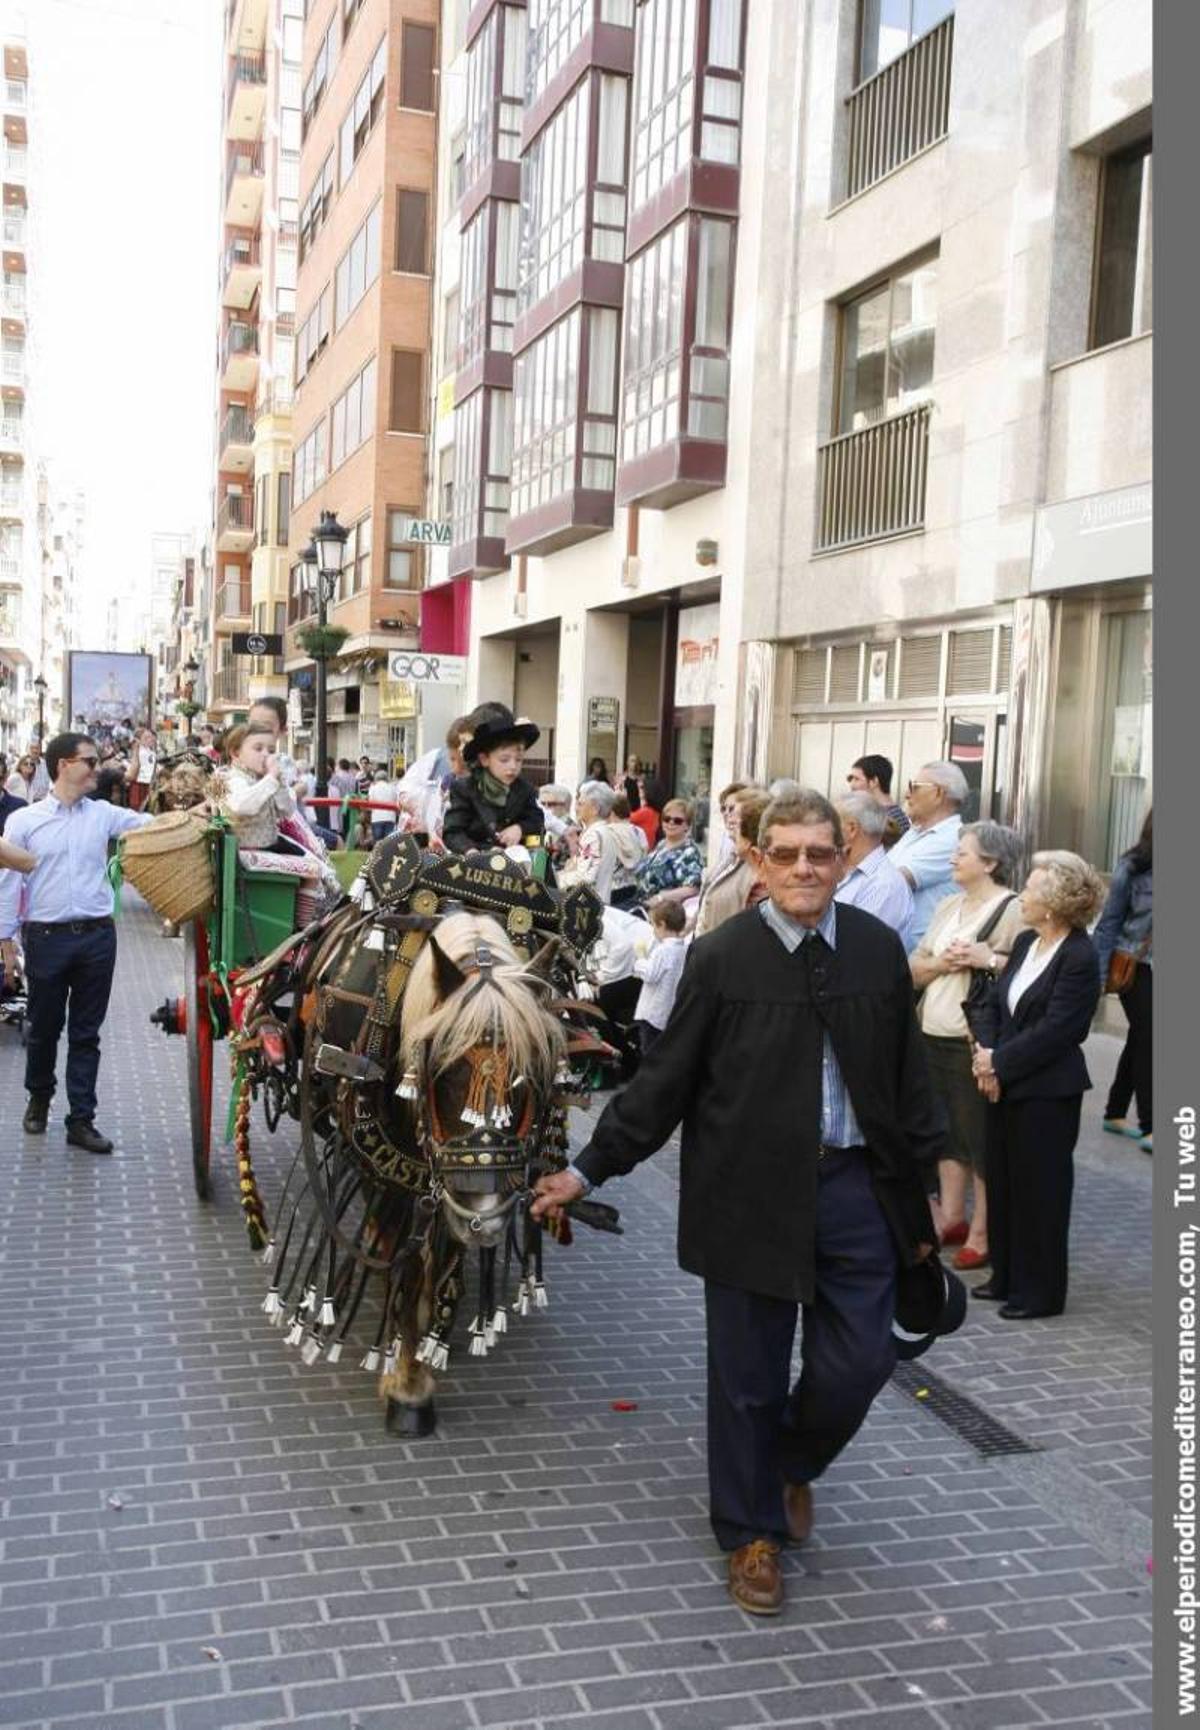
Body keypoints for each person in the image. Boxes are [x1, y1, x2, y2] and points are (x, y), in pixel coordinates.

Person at [533, 790, 944, 1614]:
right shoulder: (721, 959)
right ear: (757, 860)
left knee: (862, 1361)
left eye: (820, 853)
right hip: (749, 1195)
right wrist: (588, 1170)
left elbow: (909, 1079)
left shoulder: (875, 950)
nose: (804, 868)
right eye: (785, 853)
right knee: (748, 1378)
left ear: (843, 859)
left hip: (858, 1190)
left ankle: (790, 1462)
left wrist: (928, 1191)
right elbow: (665, 1082)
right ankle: (752, 1534)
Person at [0, 732, 155, 1153]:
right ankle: (39, 1097)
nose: (97, 769)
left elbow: (148, 824)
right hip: (45, 938)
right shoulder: (25, 821)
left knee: (87, 1033)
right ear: (64, 765)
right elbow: (9, 884)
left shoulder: (102, 814)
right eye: (90, 761)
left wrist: (197, 814)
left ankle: (81, 1120)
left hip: (97, 938)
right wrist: (6, 943)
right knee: (44, 1028)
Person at [970, 851, 1105, 1320]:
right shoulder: (1027, 941)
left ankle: (1040, 1293)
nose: (1021, 896)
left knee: (1041, 1193)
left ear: (1054, 902)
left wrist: (998, 1062)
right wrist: (987, 1058)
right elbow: (995, 1003)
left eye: (1030, 889)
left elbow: (1060, 1029)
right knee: (1003, 1182)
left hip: (1047, 1092)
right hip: (1003, 1082)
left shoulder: (1080, 955)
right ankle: (1006, 1277)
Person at [908, 822, 1025, 1270]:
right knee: (945, 1134)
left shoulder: (1013, 910)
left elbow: (1030, 971)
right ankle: (953, 1217)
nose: (954, 859)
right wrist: (943, 963)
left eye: (963, 853)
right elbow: (914, 967)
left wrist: (987, 959)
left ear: (990, 863)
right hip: (930, 1032)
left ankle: (983, 1231)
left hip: (971, 1042)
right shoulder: (949, 905)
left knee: (979, 1139)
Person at [1094, 809, 1153, 1152]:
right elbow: (1109, 923)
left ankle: (1115, 1112)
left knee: (1142, 1036)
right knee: (1152, 1037)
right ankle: (1151, 1125)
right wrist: (1098, 981)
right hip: (1136, 964)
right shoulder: (1133, 867)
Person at [443, 703, 545, 855]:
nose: (512, 766)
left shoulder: (524, 789)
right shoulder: (465, 789)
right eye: (504, 760)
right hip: (473, 862)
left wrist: (520, 828)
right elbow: (453, 832)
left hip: (514, 861)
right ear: (485, 759)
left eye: (518, 760)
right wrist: (472, 851)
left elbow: (536, 819)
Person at [888, 762, 968, 947]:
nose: (907, 794)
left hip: (922, 954)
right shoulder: (913, 833)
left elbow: (892, 882)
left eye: (914, 787)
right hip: (900, 950)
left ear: (938, 793)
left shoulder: (953, 838)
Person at [832, 792, 915, 944]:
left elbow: (858, 945)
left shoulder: (885, 885)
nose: (826, 831)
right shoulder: (840, 870)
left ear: (851, 829)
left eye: (831, 824)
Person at [694, 787, 771, 936]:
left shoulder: (759, 878)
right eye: (724, 809)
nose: (729, 819)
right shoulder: (733, 858)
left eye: (732, 811)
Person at [560, 781, 645, 906]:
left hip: (589, 906)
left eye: (581, 804)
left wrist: (557, 879)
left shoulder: (594, 835)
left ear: (595, 809)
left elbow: (585, 877)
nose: (576, 808)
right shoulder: (604, 831)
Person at [395, 715, 473, 844]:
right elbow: (404, 790)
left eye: (465, 765)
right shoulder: (436, 758)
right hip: (420, 840)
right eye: (452, 759)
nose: (456, 769)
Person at [632, 897, 688, 1054]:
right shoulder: (683, 950)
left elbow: (651, 975)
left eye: (653, 925)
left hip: (652, 1014)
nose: (653, 930)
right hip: (668, 1011)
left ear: (662, 925)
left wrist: (640, 960)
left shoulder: (663, 951)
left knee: (649, 1051)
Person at [635, 797, 704, 906]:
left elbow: (693, 888)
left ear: (687, 825)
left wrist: (661, 898)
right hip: (641, 901)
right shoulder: (662, 844)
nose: (671, 823)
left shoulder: (689, 852)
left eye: (677, 821)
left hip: (662, 910)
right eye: (666, 819)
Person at [846, 754, 909, 844]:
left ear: (874, 781)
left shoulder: (882, 820)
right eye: (850, 779)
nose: (851, 785)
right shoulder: (897, 814)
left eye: (856, 779)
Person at [124, 727, 157, 812]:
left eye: (151, 737)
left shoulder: (151, 753)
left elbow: (152, 771)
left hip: (146, 784)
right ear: (139, 740)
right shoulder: (139, 752)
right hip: (138, 784)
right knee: (137, 807)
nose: (151, 739)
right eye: (146, 737)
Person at [630, 775, 663, 851]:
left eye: (642, 788)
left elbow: (622, 816)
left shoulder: (646, 812)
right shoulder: (654, 811)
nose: (639, 790)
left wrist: (620, 797)